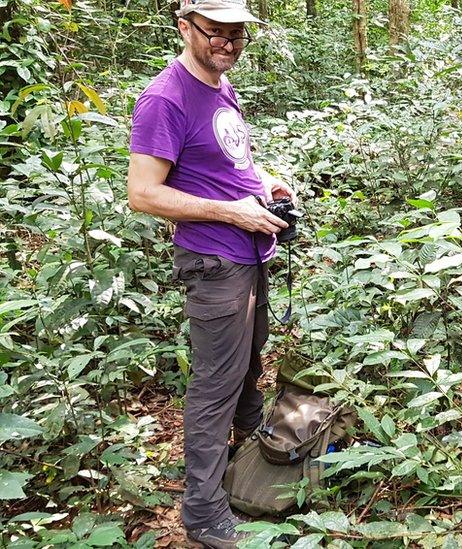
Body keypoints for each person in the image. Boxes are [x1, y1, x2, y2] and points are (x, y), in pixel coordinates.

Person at [126, 1, 295, 547]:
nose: (227, 42)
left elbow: (226, 160)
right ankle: (202, 512)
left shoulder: (219, 84)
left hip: (247, 253)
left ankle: (247, 457)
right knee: (214, 385)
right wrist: (233, 212)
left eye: (236, 34)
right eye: (215, 32)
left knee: (248, 364)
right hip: (214, 261)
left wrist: (264, 183)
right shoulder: (165, 97)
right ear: (185, 27)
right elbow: (143, 194)